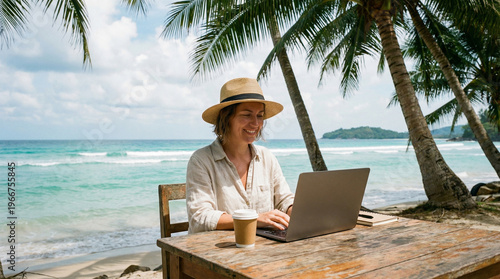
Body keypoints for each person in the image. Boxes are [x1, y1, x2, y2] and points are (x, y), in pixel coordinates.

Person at [186, 77, 294, 234]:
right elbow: (199, 218)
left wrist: (299, 212)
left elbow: (284, 201)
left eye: (259, 116)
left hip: (262, 249)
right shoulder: (201, 160)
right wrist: (255, 219)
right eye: (246, 115)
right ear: (226, 117)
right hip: (215, 252)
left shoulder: (267, 157)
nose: (255, 124)